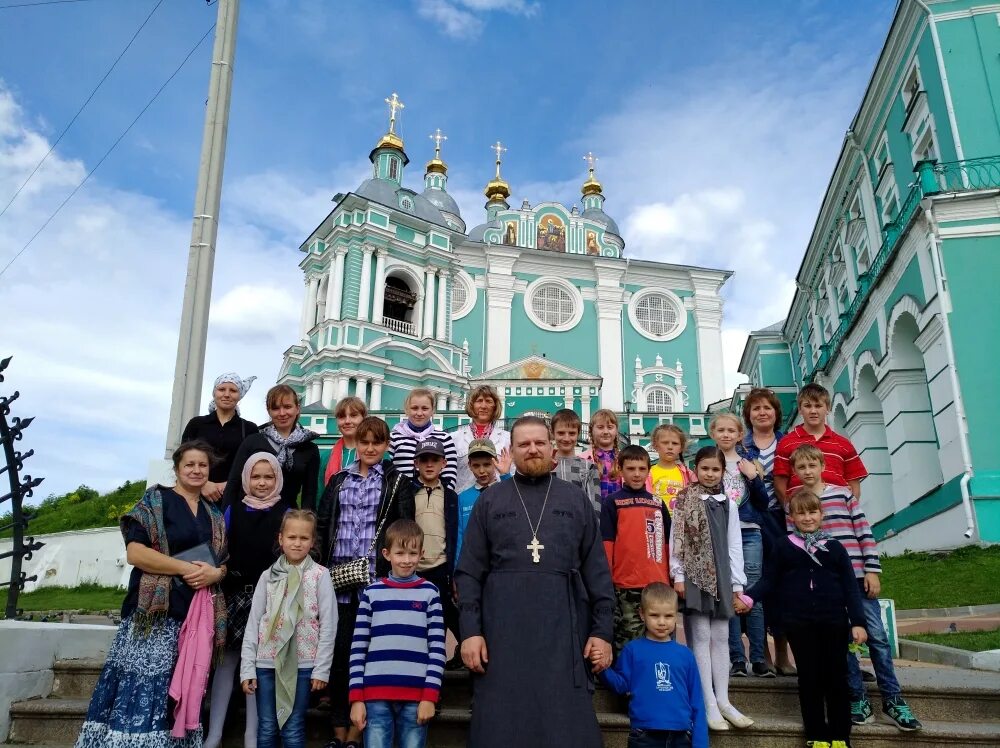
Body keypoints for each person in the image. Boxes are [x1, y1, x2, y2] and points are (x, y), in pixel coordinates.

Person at [456, 415, 615, 747]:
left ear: (552, 449)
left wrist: (602, 633)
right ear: (511, 452)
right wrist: (470, 633)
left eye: (539, 443)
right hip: (502, 633)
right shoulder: (491, 500)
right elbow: (469, 573)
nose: (532, 450)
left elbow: (597, 572)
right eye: (523, 444)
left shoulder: (574, 499)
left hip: (564, 631)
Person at [76, 440, 228, 748]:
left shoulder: (213, 513)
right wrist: (184, 569)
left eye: (203, 465)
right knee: (145, 685)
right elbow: (135, 553)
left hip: (194, 615)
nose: (197, 470)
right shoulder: (156, 501)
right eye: (190, 464)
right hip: (155, 614)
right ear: (176, 469)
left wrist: (216, 573)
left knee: (182, 685)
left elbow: (221, 561)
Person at [790, 445, 922, 732]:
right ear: (795, 472)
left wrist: (872, 569)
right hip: (830, 587)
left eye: (812, 465)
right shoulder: (797, 502)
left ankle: (892, 698)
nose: (808, 471)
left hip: (859, 578)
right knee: (844, 644)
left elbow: (863, 531)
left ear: (823, 466)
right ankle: (857, 697)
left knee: (876, 637)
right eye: (801, 467)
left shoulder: (842, 493)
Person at [316, 416, 416, 748]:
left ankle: (359, 732)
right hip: (340, 582)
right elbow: (323, 524)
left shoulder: (397, 481)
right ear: (355, 444)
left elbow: (404, 530)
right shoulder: (339, 480)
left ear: (386, 445)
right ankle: (339, 729)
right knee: (341, 656)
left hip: (378, 587)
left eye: (377, 442)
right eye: (364, 442)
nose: (370, 448)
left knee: (372, 657)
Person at [741, 491, 868, 748]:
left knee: (836, 678)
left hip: (834, 623)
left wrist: (858, 622)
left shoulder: (835, 548)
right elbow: (769, 580)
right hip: (799, 624)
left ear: (821, 515)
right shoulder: (784, 546)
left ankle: (840, 736)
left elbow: (850, 588)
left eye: (812, 512)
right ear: (792, 517)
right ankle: (816, 735)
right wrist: (748, 598)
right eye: (801, 513)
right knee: (810, 679)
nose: (807, 518)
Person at [205, 453, 291, 748]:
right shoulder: (232, 511)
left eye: (268, 477)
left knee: (258, 664)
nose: (262, 482)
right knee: (226, 662)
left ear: (277, 478)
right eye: (256, 477)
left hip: (270, 599)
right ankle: (214, 733)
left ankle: (251, 736)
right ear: (245, 479)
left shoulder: (286, 512)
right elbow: (220, 549)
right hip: (235, 595)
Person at [669, 446, 752, 732]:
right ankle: (707, 703)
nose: (709, 473)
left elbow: (734, 543)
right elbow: (676, 538)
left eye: (715, 469)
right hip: (693, 574)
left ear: (722, 472)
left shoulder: (727, 503)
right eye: (704, 468)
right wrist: (677, 574)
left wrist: (737, 583)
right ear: (695, 469)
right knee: (700, 635)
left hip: (722, 574)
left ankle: (724, 700)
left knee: (720, 634)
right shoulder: (684, 500)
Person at [240, 510, 337, 748]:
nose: (297, 543)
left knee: (293, 726)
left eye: (304, 538)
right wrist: (247, 669)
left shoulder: (320, 576)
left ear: (312, 542)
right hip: (266, 663)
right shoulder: (268, 576)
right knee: (267, 726)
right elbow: (254, 623)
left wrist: (321, 670)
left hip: (302, 665)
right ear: (280, 538)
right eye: (292, 537)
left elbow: (328, 625)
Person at [349, 519, 446, 748]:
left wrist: (429, 697)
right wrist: (356, 699)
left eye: (413, 553)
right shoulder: (372, 594)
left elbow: (437, 649)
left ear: (421, 553)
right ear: (386, 553)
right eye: (400, 553)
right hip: (375, 696)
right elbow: (358, 648)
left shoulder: (430, 594)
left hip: (416, 696)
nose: (406, 559)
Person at [601, 583, 708, 748]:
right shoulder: (632, 650)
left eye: (669, 616)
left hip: (680, 736)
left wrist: (700, 743)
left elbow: (697, 701)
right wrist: (602, 669)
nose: (662, 622)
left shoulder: (685, 655)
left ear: (676, 616)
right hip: (644, 735)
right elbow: (621, 685)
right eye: (654, 615)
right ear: (642, 614)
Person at [710, 413, 773, 679]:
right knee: (728, 594)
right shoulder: (709, 463)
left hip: (749, 533)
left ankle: (758, 658)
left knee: (752, 595)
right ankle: (736, 657)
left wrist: (753, 478)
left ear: (739, 435)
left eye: (731, 430)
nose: (725, 434)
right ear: (713, 433)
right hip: (721, 534)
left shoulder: (750, 463)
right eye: (720, 430)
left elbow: (763, 503)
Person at [735, 387, 793, 675]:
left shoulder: (789, 443)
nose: (762, 412)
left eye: (767, 408)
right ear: (748, 415)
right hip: (755, 521)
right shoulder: (742, 447)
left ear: (775, 412)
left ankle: (783, 654)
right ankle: (763, 652)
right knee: (758, 584)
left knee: (784, 585)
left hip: (787, 519)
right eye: (756, 408)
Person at [601, 445, 670, 655]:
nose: (637, 474)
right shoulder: (613, 502)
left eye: (642, 468)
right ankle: (626, 685)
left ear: (649, 470)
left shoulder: (658, 503)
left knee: (661, 638)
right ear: (620, 469)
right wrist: (608, 579)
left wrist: (671, 578)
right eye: (631, 468)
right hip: (626, 584)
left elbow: (668, 544)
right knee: (629, 640)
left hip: (658, 584)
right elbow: (607, 543)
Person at [224, 385, 321, 511]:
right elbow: (234, 483)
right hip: (250, 516)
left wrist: (307, 523)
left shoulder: (309, 449)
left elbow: (309, 494)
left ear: (297, 408)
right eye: (275, 408)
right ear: (269, 411)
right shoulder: (252, 442)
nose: (282, 413)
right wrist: (225, 519)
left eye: (287, 407)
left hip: (288, 518)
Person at [411, 438, 462, 669]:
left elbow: (454, 533)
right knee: (416, 628)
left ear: (443, 463)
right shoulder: (408, 491)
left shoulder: (451, 496)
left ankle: (436, 685)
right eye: (424, 460)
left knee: (438, 626)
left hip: (440, 568)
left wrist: (454, 571)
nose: (429, 465)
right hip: (413, 569)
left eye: (434, 460)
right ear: (416, 464)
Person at [773, 383, 867, 504]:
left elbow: (854, 486)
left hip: (838, 509)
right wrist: (791, 510)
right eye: (807, 406)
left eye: (818, 406)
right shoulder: (786, 443)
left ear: (827, 408)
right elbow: (780, 483)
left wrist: (849, 507)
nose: (813, 411)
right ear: (800, 409)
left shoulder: (843, 444)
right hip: (803, 513)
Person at [182, 372, 260, 501]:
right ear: (214, 393)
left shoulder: (249, 428)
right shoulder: (196, 424)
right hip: (196, 496)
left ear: (239, 395)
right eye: (222, 389)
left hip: (234, 498)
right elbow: (182, 459)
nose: (227, 394)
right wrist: (203, 484)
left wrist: (229, 485)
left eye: (233, 390)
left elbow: (254, 464)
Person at [389, 388, 459, 490]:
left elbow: (450, 474)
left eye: (425, 408)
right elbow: (389, 472)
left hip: (434, 498)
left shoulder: (444, 438)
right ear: (406, 410)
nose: (419, 413)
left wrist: (440, 496)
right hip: (401, 498)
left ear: (432, 411)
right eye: (414, 408)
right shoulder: (394, 438)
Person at [456, 439, 512, 563]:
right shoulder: (463, 498)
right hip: (473, 562)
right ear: (469, 465)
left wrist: (506, 475)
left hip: (501, 562)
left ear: (495, 462)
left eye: (487, 464)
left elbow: (517, 501)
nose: (481, 471)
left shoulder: (505, 489)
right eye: (476, 465)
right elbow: (460, 536)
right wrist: (457, 569)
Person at [451, 385, 512, 494]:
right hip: (465, 502)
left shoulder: (507, 438)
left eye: (488, 401)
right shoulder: (454, 438)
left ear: (495, 406)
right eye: (479, 401)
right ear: (472, 405)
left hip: (499, 498)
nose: (483, 406)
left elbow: (512, 471)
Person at [551, 408, 601, 513]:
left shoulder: (589, 467)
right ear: (552, 433)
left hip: (579, 525)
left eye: (572, 433)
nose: (566, 438)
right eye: (561, 433)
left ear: (578, 434)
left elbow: (594, 508)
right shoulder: (546, 466)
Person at [648, 424, 696, 516]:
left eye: (675, 443)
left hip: (681, 524)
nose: (670, 447)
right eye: (665, 443)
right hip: (658, 523)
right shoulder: (649, 473)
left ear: (681, 448)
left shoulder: (688, 474)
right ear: (655, 446)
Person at [324, 396, 368, 486]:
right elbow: (320, 494)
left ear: (364, 418)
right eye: (342, 416)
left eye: (353, 415)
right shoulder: (326, 457)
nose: (347, 421)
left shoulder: (377, 454)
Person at [584, 408, 623, 502]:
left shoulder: (624, 459)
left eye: (610, 427)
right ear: (591, 431)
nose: (606, 432)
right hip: (594, 512)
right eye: (600, 427)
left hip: (618, 512)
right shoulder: (583, 459)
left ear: (616, 430)